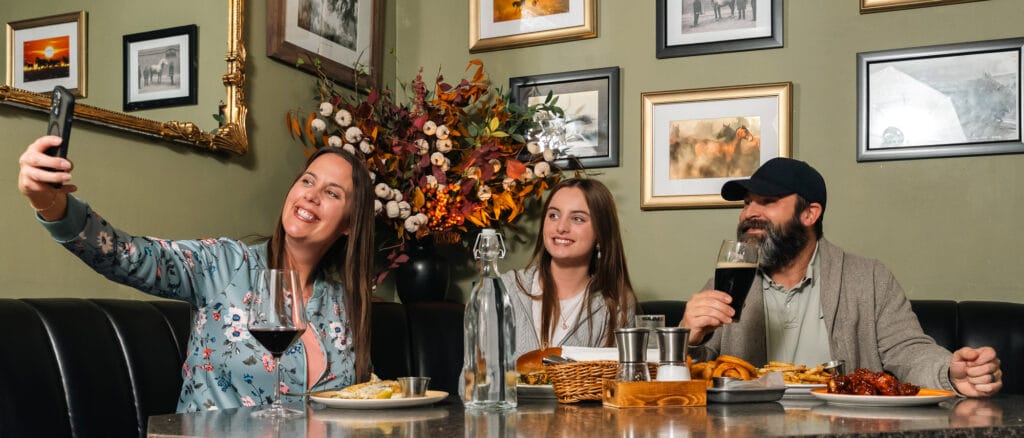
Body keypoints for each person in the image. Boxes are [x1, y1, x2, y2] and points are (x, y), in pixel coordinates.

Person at [17, 137, 376, 411]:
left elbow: (358, 403)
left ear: (349, 224)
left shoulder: (342, 303)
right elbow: (128, 256)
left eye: (331, 192)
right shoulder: (223, 264)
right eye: (307, 181)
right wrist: (50, 204)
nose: (311, 196)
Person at [681, 157, 1002, 397]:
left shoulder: (869, 279)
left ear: (810, 213)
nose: (750, 212)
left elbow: (909, 351)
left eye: (767, 202)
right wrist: (686, 337)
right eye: (747, 202)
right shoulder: (728, 285)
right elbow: (692, 373)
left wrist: (950, 373)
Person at [504, 178, 638, 359]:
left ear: (600, 234)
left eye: (577, 219)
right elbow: (472, 380)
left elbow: (631, 378)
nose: (561, 227)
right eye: (553, 215)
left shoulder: (616, 303)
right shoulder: (504, 289)